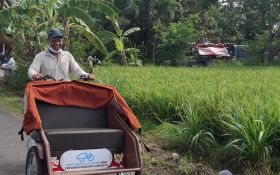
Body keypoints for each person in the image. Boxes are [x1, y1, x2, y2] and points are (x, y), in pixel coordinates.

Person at [28, 29, 95, 81]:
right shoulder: (40, 56)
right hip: (47, 89)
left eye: (59, 41)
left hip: (65, 89)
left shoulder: (67, 55)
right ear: (48, 41)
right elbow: (32, 69)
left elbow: (77, 70)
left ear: (62, 41)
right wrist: (35, 75)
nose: (57, 43)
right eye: (53, 41)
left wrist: (87, 75)